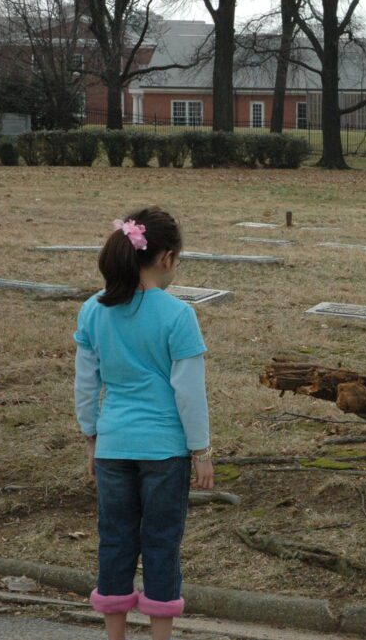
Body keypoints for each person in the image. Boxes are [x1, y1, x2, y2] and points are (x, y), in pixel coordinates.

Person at [74, 206, 214, 640]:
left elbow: (85, 383)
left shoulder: (93, 311)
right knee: (160, 543)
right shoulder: (177, 315)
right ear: (166, 258)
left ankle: (113, 635)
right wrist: (201, 450)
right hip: (165, 451)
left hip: (114, 446)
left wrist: (92, 436)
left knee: (114, 541)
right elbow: (189, 393)